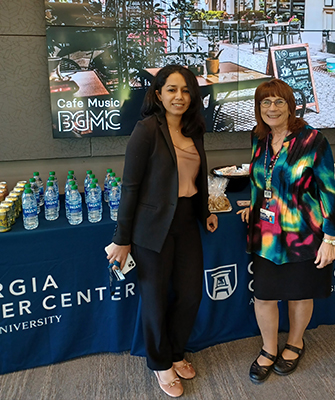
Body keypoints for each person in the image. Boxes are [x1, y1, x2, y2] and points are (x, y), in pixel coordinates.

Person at [106, 65, 218, 398]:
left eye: (185, 91)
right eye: (171, 90)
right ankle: (160, 363)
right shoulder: (146, 130)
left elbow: (198, 179)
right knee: (154, 299)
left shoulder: (195, 127)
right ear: (158, 94)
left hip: (186, 220)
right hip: (151, 226)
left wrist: (205, 214)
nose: (179, 97)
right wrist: (122, 239)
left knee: (190, 294)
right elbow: (130, 187)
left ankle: (175, 351)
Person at [237, 79, 335, 383]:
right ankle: (269, 349)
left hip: (303, 234)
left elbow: (327, 191)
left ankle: (295, 342)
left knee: (298, 295)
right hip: (266, 236)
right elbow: (261, 181)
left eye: (278, 101)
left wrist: (330, 238)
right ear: (258, 108)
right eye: (264, 102)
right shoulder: (258, 138)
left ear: (290, 105)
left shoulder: (313, 141)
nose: (271, 108)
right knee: (265, 296)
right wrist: (253, 207)